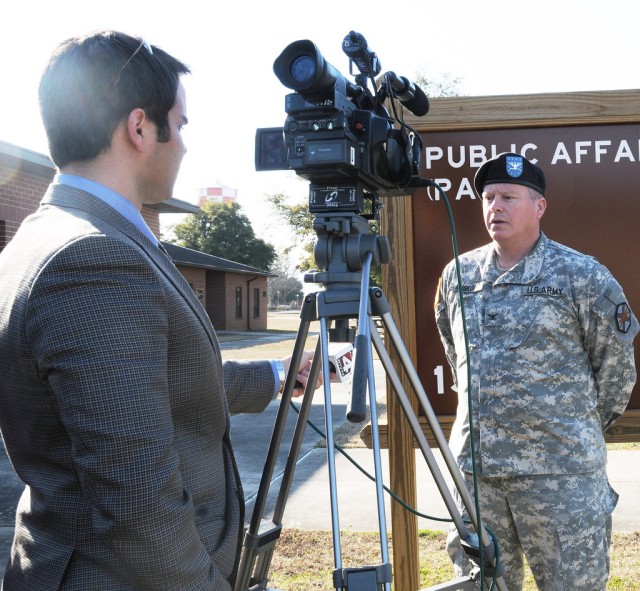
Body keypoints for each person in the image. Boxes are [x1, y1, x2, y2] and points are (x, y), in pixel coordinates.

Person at [0, 31, 320, 590]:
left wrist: (272, 375)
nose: (187, 143)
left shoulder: (54, 236)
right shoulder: (92, 257)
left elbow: (148, 386)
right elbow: (138, 500)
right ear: (140, 126)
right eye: (183, 122)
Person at [434, 152, 638, 590]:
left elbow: (617, 370)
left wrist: (568, 429)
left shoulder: (581, 276)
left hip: (560, 477)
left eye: (509, 196)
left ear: (539, 206)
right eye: (488, 197)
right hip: (479, 476)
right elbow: (458, 358)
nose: (495, 207)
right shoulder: (458, 275)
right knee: (482, 585)